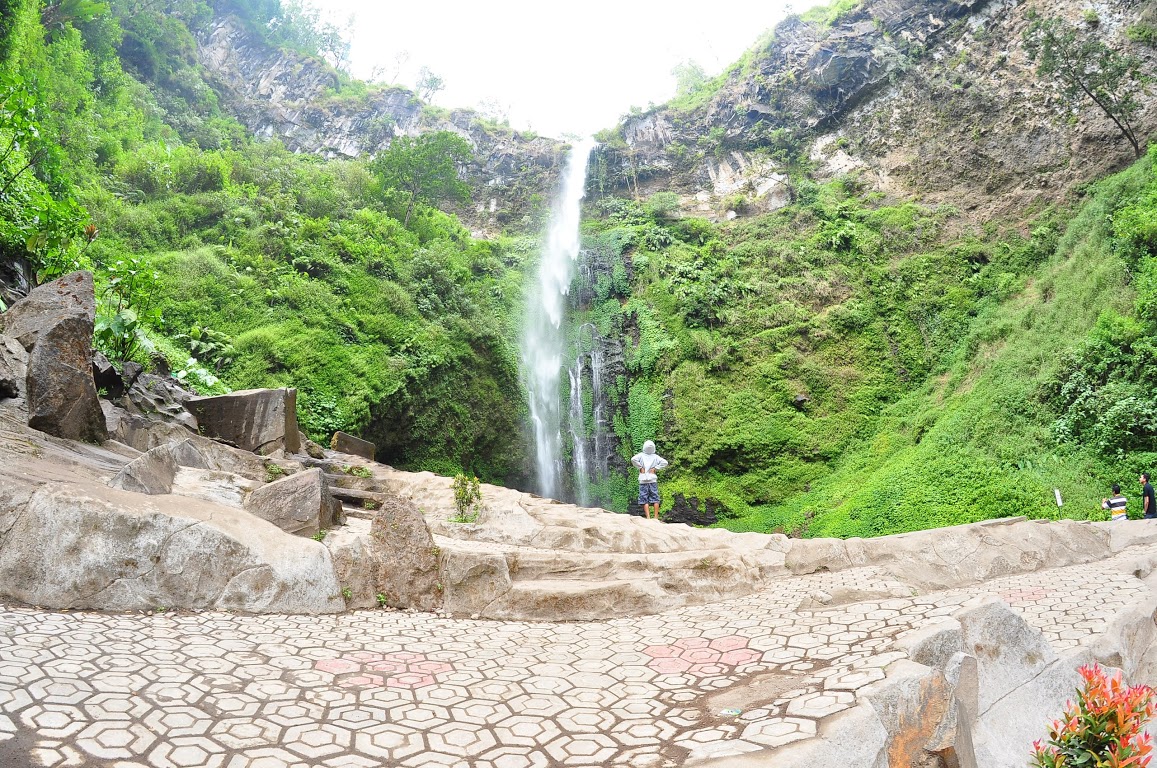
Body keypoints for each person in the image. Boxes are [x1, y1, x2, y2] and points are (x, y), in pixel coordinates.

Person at [631, 440, 668, 520]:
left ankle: (648, 518)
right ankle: (655, 517)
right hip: (652, 480)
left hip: (643, 480)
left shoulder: (640, 455)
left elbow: (633, 459)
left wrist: (640, 467)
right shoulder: (655, 457)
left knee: (644, 498)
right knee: (655, 498)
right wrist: (655, 468)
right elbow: (665, 462)